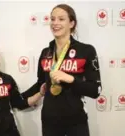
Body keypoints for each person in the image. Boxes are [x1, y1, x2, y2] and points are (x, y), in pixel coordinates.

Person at [21, 4, 102, 136]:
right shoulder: (46, 52)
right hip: (49, 121)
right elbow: (41, 84)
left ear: (72, 23)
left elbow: (95, 90)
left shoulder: (86, 51)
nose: (55, 23)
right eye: (52, 19)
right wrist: (17, 98)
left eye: (61, 19)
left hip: (76, 121)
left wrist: (70, 79)